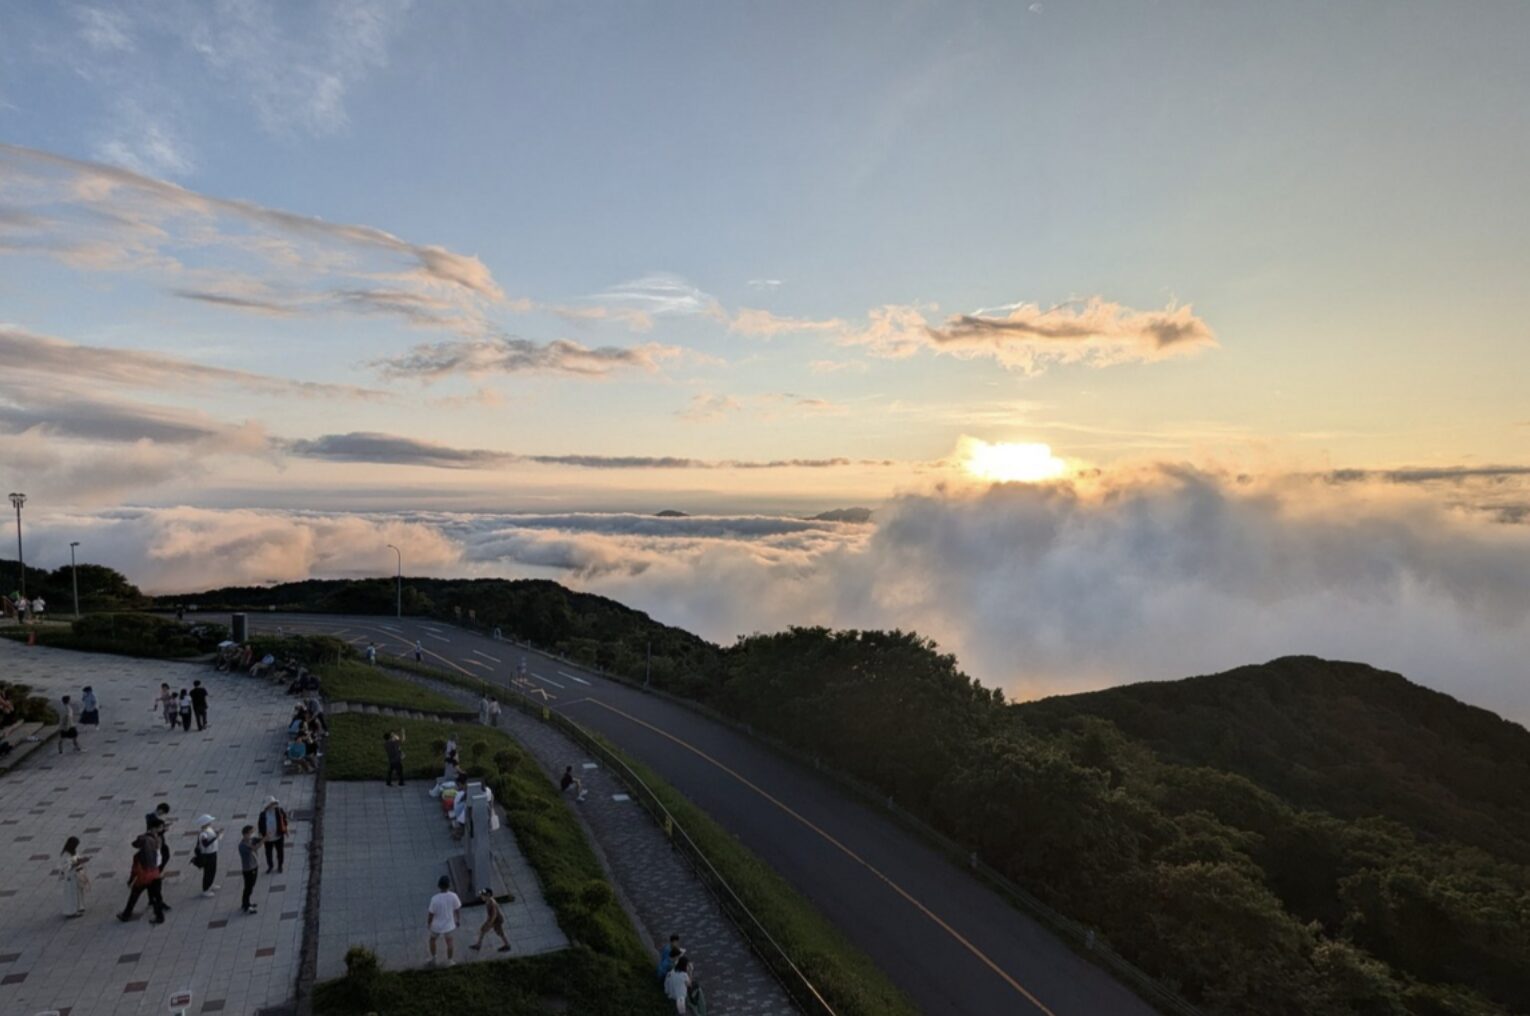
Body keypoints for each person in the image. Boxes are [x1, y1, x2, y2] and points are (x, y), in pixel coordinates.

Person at [118, 830, 167, 924]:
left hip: (143, 878)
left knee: (134, 896)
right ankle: (159, 917)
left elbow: (135, 870)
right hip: (156, 876)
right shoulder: (155, 851)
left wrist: (130, 880)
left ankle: (126, 915)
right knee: (157, 897)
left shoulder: (138, 856)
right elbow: (159, 863)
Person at [426, 875, 462, 966]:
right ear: (449, 885)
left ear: (439, 886)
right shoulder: (453, 896)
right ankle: (450, 960)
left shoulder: (435, 899)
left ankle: (434, 958)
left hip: (436, 925)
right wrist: (457, 920)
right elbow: (457, 909)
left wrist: (429, 923)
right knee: (449, 942)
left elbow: (431, 913)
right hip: (449, 925)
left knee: (432, 940)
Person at [469, 887, 513, 953]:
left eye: (483, 895)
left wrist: (489, 924)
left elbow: (494, 915)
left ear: (488, 895)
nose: (481, 896)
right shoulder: (488, 901)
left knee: (498, 932)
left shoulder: (492, 903)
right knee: (485, 930)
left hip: (496, 921)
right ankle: (478, 945)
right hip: (493, 920)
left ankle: (507, 945)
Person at [60, 836, 90, 917]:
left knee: (79, 892)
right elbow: (66, 867)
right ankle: (72, 911)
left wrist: (82, 859)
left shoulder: (74, 852)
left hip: (77, 875)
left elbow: (77, 858)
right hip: (71, 878)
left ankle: (80, 906)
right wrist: (76, 863)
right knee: (72, 895)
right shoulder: (65, 855)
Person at [258, 797, 289, 873]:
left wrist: (285, 828)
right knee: (268, 853)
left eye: (275, 803)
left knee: (280, 852)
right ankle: (270, 866)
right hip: (268, 838)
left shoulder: (279, 811)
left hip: (278, 836)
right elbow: (260, 825)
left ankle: (280, 866)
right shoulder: (263, 814)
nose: (275, 805)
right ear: (268, 805)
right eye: (273, 803)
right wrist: (262, 835)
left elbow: (284, 820)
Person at [193, 815, 222, 897]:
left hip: (213, 852)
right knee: (208, 872)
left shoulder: (209, 829)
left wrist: (216, 833)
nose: (211, 822)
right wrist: (215, 837)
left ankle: (211, 884)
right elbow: (205, 844)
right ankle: (205, 889)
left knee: (213, 869)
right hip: (207, 854)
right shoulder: (203, 834)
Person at [238, 826, 262, 914]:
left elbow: (257, 840)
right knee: (248, 888)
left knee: (251, 886)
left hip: (254, 866)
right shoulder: (243, 845)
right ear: (245, 834)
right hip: (248, 869)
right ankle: (246, 906)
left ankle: (246, 903)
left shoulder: (250, 840)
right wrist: (264, 839)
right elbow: (255, 848)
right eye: (251, 833)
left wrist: (262, 837)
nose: (252, 834)